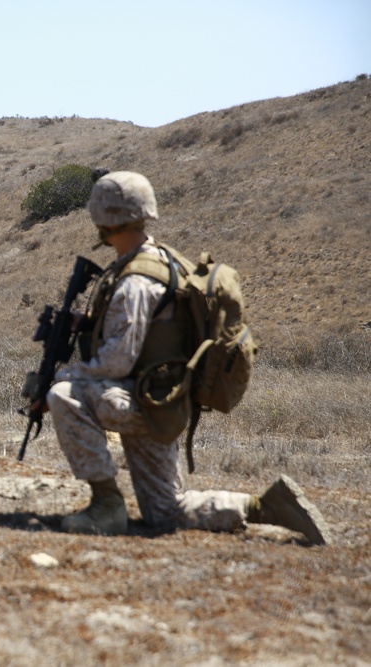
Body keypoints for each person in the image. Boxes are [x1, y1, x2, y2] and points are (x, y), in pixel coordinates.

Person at [42, 171, 330, 544]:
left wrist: (63, 378)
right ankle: (264, 506)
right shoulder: (164, 260)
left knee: (64, 396)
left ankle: (106, 507)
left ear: (103, 219)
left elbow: (117, 362)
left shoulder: (134, 282)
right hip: (166, 399)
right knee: (166, 511)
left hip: (142, 401)